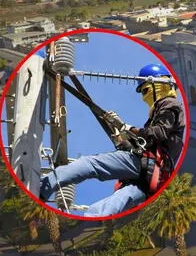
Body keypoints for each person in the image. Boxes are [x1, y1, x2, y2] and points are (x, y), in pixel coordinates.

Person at [38, 64, 185, 217]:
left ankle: (42, 188)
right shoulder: (170, 121)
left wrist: (125, 126)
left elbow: (156, 133)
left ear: (158, 84)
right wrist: (121, 136)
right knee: (115, 203)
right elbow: (151, 140)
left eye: (145, 90)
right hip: (154, 178)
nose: (143, 97)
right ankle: (91, 217)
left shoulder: (169, 104)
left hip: (147, 164)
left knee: (90, 164)